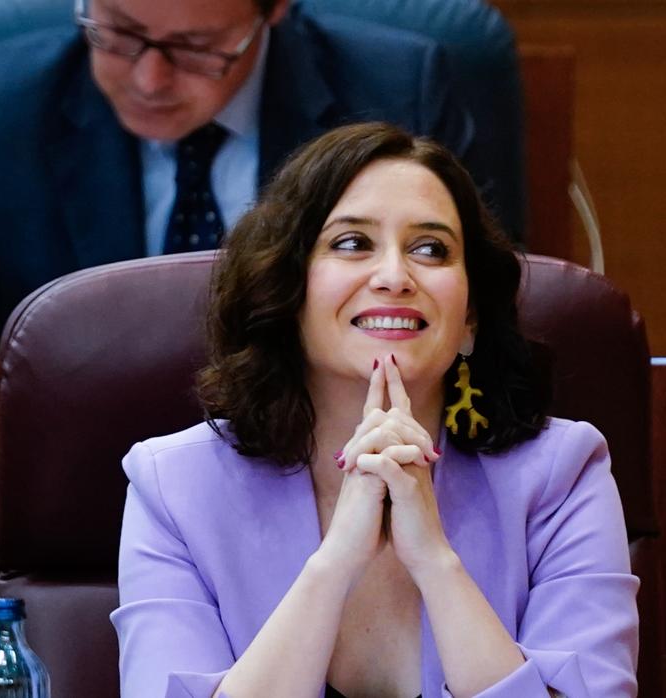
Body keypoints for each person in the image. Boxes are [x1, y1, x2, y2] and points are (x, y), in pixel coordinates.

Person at [111, 122, 638, 698]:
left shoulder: (562, 474)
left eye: (431, 249)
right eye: (352, 243)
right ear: (285, 294)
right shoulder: (174, 486)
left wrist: (436, 562)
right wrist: (333, 564)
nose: (394, 277)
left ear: (470, 321)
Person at [0, 0, 506, 362]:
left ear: (274, 12)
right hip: (79, 485)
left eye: (195, 48)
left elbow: (477, 316)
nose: (148, 79)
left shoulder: (395, 91)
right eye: (119, 33)